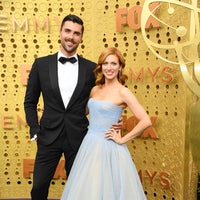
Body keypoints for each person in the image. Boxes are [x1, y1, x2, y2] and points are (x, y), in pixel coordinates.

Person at [24, 14, 122, 200]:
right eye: (68, 31)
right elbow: (30, 101)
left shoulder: (92, 68)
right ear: (60, 32)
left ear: (81, 37)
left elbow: (106, 97)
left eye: (76, 33)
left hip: (79, 138)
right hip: (48, 137)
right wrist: (34, 128)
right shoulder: (41, 64)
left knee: (80, 190)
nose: (71, 37)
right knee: (38, 187)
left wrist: (116, 119)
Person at [60, 47, 152, 200]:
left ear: (120, 67)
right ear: (101, 67)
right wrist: (55, 110)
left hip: (110, 148)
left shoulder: (123, 92)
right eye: (105, 63)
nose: (109, 68)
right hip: (89, 146)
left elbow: (146, 121)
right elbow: (82, 113)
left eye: (114, 64)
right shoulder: (95, 89)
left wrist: (122, 139)